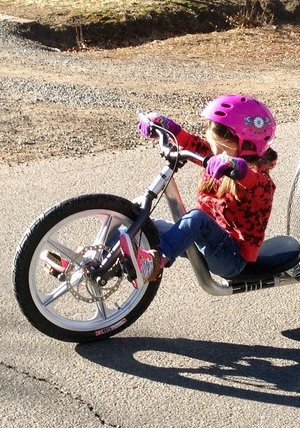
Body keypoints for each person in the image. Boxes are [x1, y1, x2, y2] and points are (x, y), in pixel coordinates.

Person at [119, 94, 278, 288]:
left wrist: (235, 165)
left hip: (232, 258)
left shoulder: (260, 181)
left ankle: (154, 263)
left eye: (220, 149)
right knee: (144, 223)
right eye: (214, 147)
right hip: (204, 242)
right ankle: (94, 260)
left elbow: (254, 182)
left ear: (245, 145)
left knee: (197, 218)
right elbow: (190, 142)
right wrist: (164, 125)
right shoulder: (216, 155)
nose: (214, 153)